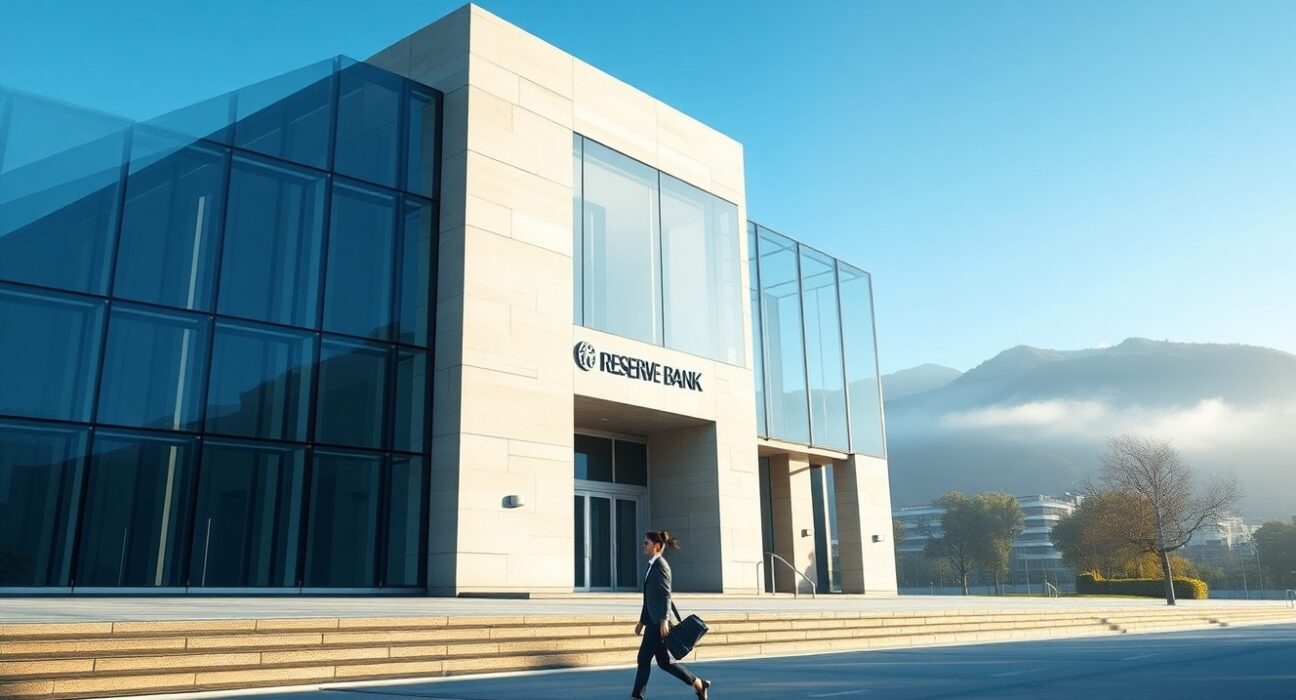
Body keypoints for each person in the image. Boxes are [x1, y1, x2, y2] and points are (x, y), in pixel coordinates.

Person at [630, 530, 711, 700]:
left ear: (657, 546)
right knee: (664, 662)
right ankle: (698, 684)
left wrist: (665, 620)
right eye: (643, 542)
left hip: (658, 622)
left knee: (643, 658)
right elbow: (650, 599)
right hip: (652, 620)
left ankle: (637, 696)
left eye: (646, 543)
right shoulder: (651, 565)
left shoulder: (661, 565)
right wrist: (641, 621)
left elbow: (666, 595)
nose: (643, 546)